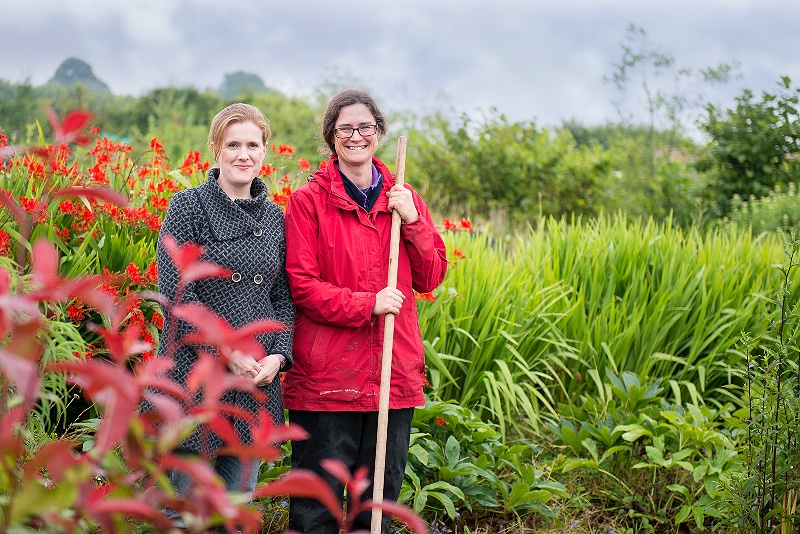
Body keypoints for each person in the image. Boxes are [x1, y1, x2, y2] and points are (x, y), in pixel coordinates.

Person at [282, 90, 448, 533]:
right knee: (315, 506)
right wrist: (367, 305)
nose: (356, 136)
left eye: (365, 128)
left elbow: (431, 276)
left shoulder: (402, 197)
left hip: (391, 372)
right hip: (327, 379)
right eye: (345, 129)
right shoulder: (307, 202)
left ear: (379, 133)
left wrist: (412, 220)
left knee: (375, 507)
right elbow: (302, 286)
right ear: (331, 138)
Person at [155, 103, 293, 506]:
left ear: (265, 151)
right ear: (216, 149)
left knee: (235, 507)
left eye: (253, 144)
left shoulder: (274, 219)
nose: (243, 154)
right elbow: (177, 295)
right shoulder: (187, 207)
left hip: (253, 381)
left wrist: (278, 356)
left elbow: (283, 297)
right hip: (194, 376)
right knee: (182, 510)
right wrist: (223, 350)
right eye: (233, 144)